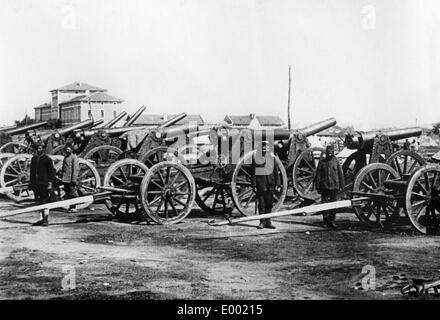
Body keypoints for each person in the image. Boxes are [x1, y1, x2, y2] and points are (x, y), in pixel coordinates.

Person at [314, 145, 345, 229]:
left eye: (331, 153)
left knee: (333, 205)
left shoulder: (336, 161)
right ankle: (325, 221)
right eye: (328, 153)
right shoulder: (322, 162)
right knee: (324, 205)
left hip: (334, 186)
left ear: (333, 153)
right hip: (324, 186)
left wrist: (342, 185)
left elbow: (340, 174)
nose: (330, 154)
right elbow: (318, 174)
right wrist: (317, 185)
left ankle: (332, 221)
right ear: (326, 153)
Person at [252, 140, 279, 229]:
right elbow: (254, 174)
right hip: (261, 185)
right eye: (264, 149)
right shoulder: (257, 159)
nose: (265, 150)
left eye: (267, 149)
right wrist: (254, 185)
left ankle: (268, 222)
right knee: (262, 205)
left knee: (269, 204)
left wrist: (277, 183)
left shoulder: (272, 159)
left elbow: (276, 172)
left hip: (270, 184)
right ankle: (261, 222)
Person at [30, 143, 55, 226]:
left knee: (45, 201)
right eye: (37, 148)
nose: (38, 150)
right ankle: (40, 219)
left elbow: (51, 172)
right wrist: (31, 183)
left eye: (40, 148)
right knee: (38, 202)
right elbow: (31, 172)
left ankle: (45, 220)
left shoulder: (47, 159)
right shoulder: (34, 159)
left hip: (44, 183)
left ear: (43, 149)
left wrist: (50, 182)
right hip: (36, 184)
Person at [61, 143, 79, 213]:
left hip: (71, 179)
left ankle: (73, 207)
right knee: (68, 193)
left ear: (71, 150)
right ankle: (70, 207)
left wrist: (74, 179)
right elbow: (64, 168)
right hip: (65, 179)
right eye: (66, 149)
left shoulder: (74, 157)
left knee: (72, 194)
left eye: (68, 149)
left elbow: (75, 169)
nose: (67, 150)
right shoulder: (66, 157)